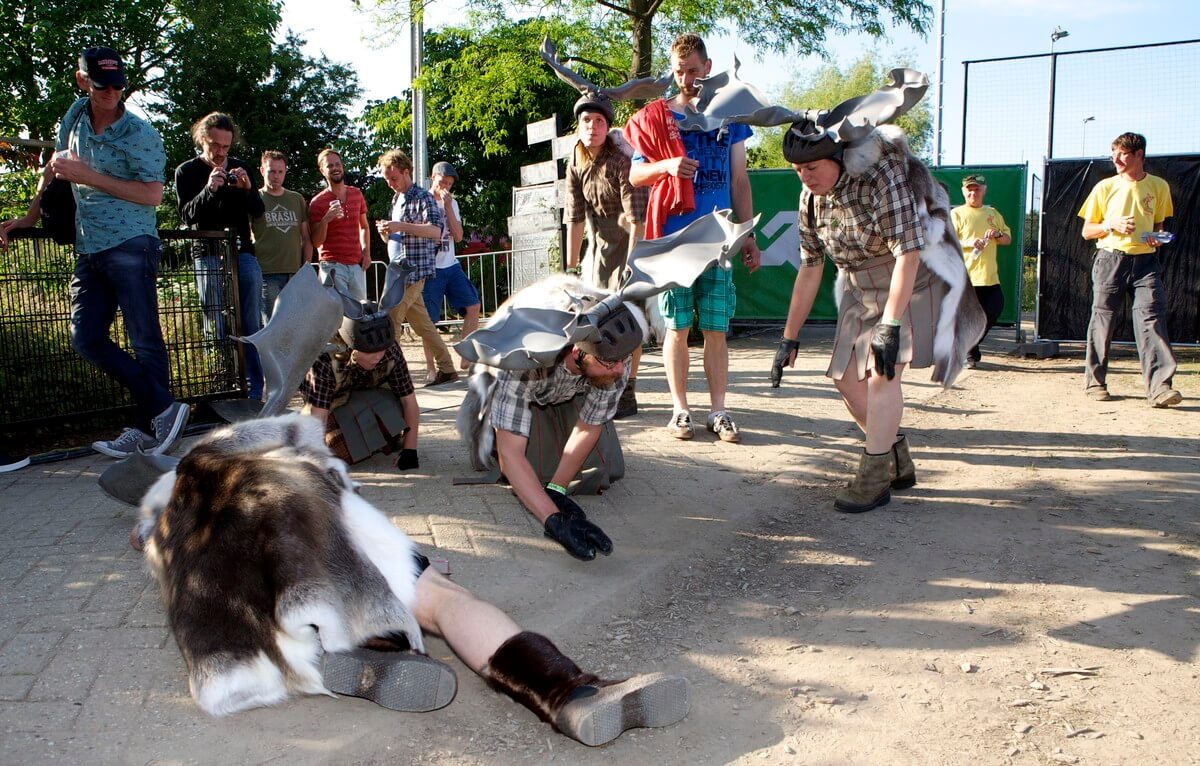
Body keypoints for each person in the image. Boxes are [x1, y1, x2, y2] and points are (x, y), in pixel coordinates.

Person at [132, 413, 688, 745]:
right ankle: (569, 691)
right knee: (441, 598)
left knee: (307, 607)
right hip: (311, 530)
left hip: (246, 605)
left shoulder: (169, 521)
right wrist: (413, 556)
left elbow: (153, 546)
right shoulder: (252, 452)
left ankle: (366, 653)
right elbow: (316, 455)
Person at [775, 119, 979, 514]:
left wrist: (890, 324)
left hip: (910, 283)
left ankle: (872, 480)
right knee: (847, 382)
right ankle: (894, 458)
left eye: (812, 167)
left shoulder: (880, 175)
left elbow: (907, 252)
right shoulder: (810, 197)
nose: (805, 177)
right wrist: (789, 336)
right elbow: (811, 266)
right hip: (858, 287)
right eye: (798, 170)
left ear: (838, 157)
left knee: (884, 374)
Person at [1, 47, 189, 458]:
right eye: (103, 85)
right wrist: (30, 216)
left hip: (131, 242)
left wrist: (90, 176)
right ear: (83, 81)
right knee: (85, 338)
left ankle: (147, 429)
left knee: (145, 339)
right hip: (89, 245)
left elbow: (154, 194)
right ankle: (163, 409)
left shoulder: (140, 132)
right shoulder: (74, 116)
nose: (112, 93)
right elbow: (54, 167)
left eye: (119, 85)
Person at [626, 33, 761, 443]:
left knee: (717, 328)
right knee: (677, 327)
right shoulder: (656, 116)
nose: (685, 78)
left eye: (692, 70)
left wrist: (748, 235)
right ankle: (680, 409)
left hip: (719, 239)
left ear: (707, 67)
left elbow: (739, 179)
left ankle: (719, 411)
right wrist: (666, 164)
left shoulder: (729, 116)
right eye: (678, 71)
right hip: (673, 240)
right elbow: (635, 174)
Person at [461, 276, 648, 560]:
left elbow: (589, 426)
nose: (621, 370)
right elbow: (511, 454)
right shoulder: (524, 359)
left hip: (566, 392)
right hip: (502, 391)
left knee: (602, 469)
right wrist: (553, 520)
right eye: (611, 363)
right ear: (578, 350)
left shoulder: (613, 353)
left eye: (624, 361)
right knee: (523, 471)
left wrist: (557, 490)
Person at [1078, 132, 1180, 407]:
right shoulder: (1104, 187)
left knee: (1152, 319)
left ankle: (1160, 388)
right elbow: (1088, 231)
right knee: (1103, 320)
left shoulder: (1159, 186)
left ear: (1139, 155)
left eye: (1122, 153)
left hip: (1146, 264)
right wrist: (1112, 225)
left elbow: (1159, 228)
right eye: (1114, 153)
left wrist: (1156, 238)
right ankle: (1095, 383)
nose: (1116, 158)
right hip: (1110, 260)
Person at [175, 112, 266, 400]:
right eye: (215, 145)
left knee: (250, 319)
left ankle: (254, 388)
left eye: (226, 147)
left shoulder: (240, 168)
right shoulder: (186, 171)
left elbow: (258, 210)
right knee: (213, 318)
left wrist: (248, 189)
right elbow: (188, 215)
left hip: (241, 252)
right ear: (203, 140)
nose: (220, 152)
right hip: (208, 253)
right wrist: (210, 189)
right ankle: (218, 383)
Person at [565, 96, 646, 419]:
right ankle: (598, 385)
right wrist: (569, 269)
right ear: (579, 126)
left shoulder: (621, 161)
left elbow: (637, 218)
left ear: (607, 126)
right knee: (593, 321)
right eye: (587, 121)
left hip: (631, 245)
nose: (592, 127)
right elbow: (574, 218)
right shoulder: (576, 163)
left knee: (628, 320)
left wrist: (632, 266)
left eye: (599, 121)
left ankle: (628, 389)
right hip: (598, 251)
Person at [298, 299, 420, 470]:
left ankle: (383, 441)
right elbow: (318, 416)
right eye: (371, 353)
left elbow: (409, 401)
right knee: (336, 449)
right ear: (351, 346)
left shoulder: (390, 349)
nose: (378, 357)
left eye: (382, 350)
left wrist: (410, 450)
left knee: (391, 418)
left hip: (374, 401)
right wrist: (316, 464)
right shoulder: (326, 356)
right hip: (334, 407)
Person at [374, 149, 458, 387]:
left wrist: (401, 225)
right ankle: (447, 368)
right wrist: (385, 233)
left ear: (406, 172)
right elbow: (396, 237)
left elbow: (435, 232)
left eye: (394, 178)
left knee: (391, 319)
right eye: (387, 179)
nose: (390, 184)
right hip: (398, 270)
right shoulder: (397, 198)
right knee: (424, 326)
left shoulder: (423, 197)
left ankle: (393, 377)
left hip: (413, 271)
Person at [422, 161, 481, 380]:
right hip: (431, 268)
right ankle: (431, 367)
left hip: (451, 264)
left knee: (473, 305)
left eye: (449, 184)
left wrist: (448, 208)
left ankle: (466, 356)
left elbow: (458, 236)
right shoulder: (423, 200)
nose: (446, 186)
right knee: (429, 320)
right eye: (442, 182)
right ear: (432, 178)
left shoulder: (452, 203)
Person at [951, 174, 1011, 368]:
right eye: (969, 189)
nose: (972, 193)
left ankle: (970, 346)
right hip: (966, 277)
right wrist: (969, 243)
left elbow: (1007, 240)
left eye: (976, 189)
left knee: (994, 308)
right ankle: (968, 353)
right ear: (963, 191)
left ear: (983, 190)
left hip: (989, 277)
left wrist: (997, 234)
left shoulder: (993, 213)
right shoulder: (957, 214)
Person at [252, 150, 312, 321]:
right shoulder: (255, 197)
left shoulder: (296, 199)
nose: (276, 176)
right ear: (263, 171)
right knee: (272, 323)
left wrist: (306, 269)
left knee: (295, 322)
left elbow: (306, 237)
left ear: (285, 171)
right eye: (271, 171)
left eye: (280, 171)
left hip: (294, 273)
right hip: (266, 272)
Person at [309, 148, 370, 301]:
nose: (335, 168)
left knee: (359, 314)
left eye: (338, 164)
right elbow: (316, 242)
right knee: (334, 315)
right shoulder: (317, 202)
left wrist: (366, 252)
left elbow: (364, 227)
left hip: (355, 266)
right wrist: (326, 219)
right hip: (331, 266)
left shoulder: (356, 194)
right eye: (330, 166)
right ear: (322, 170)